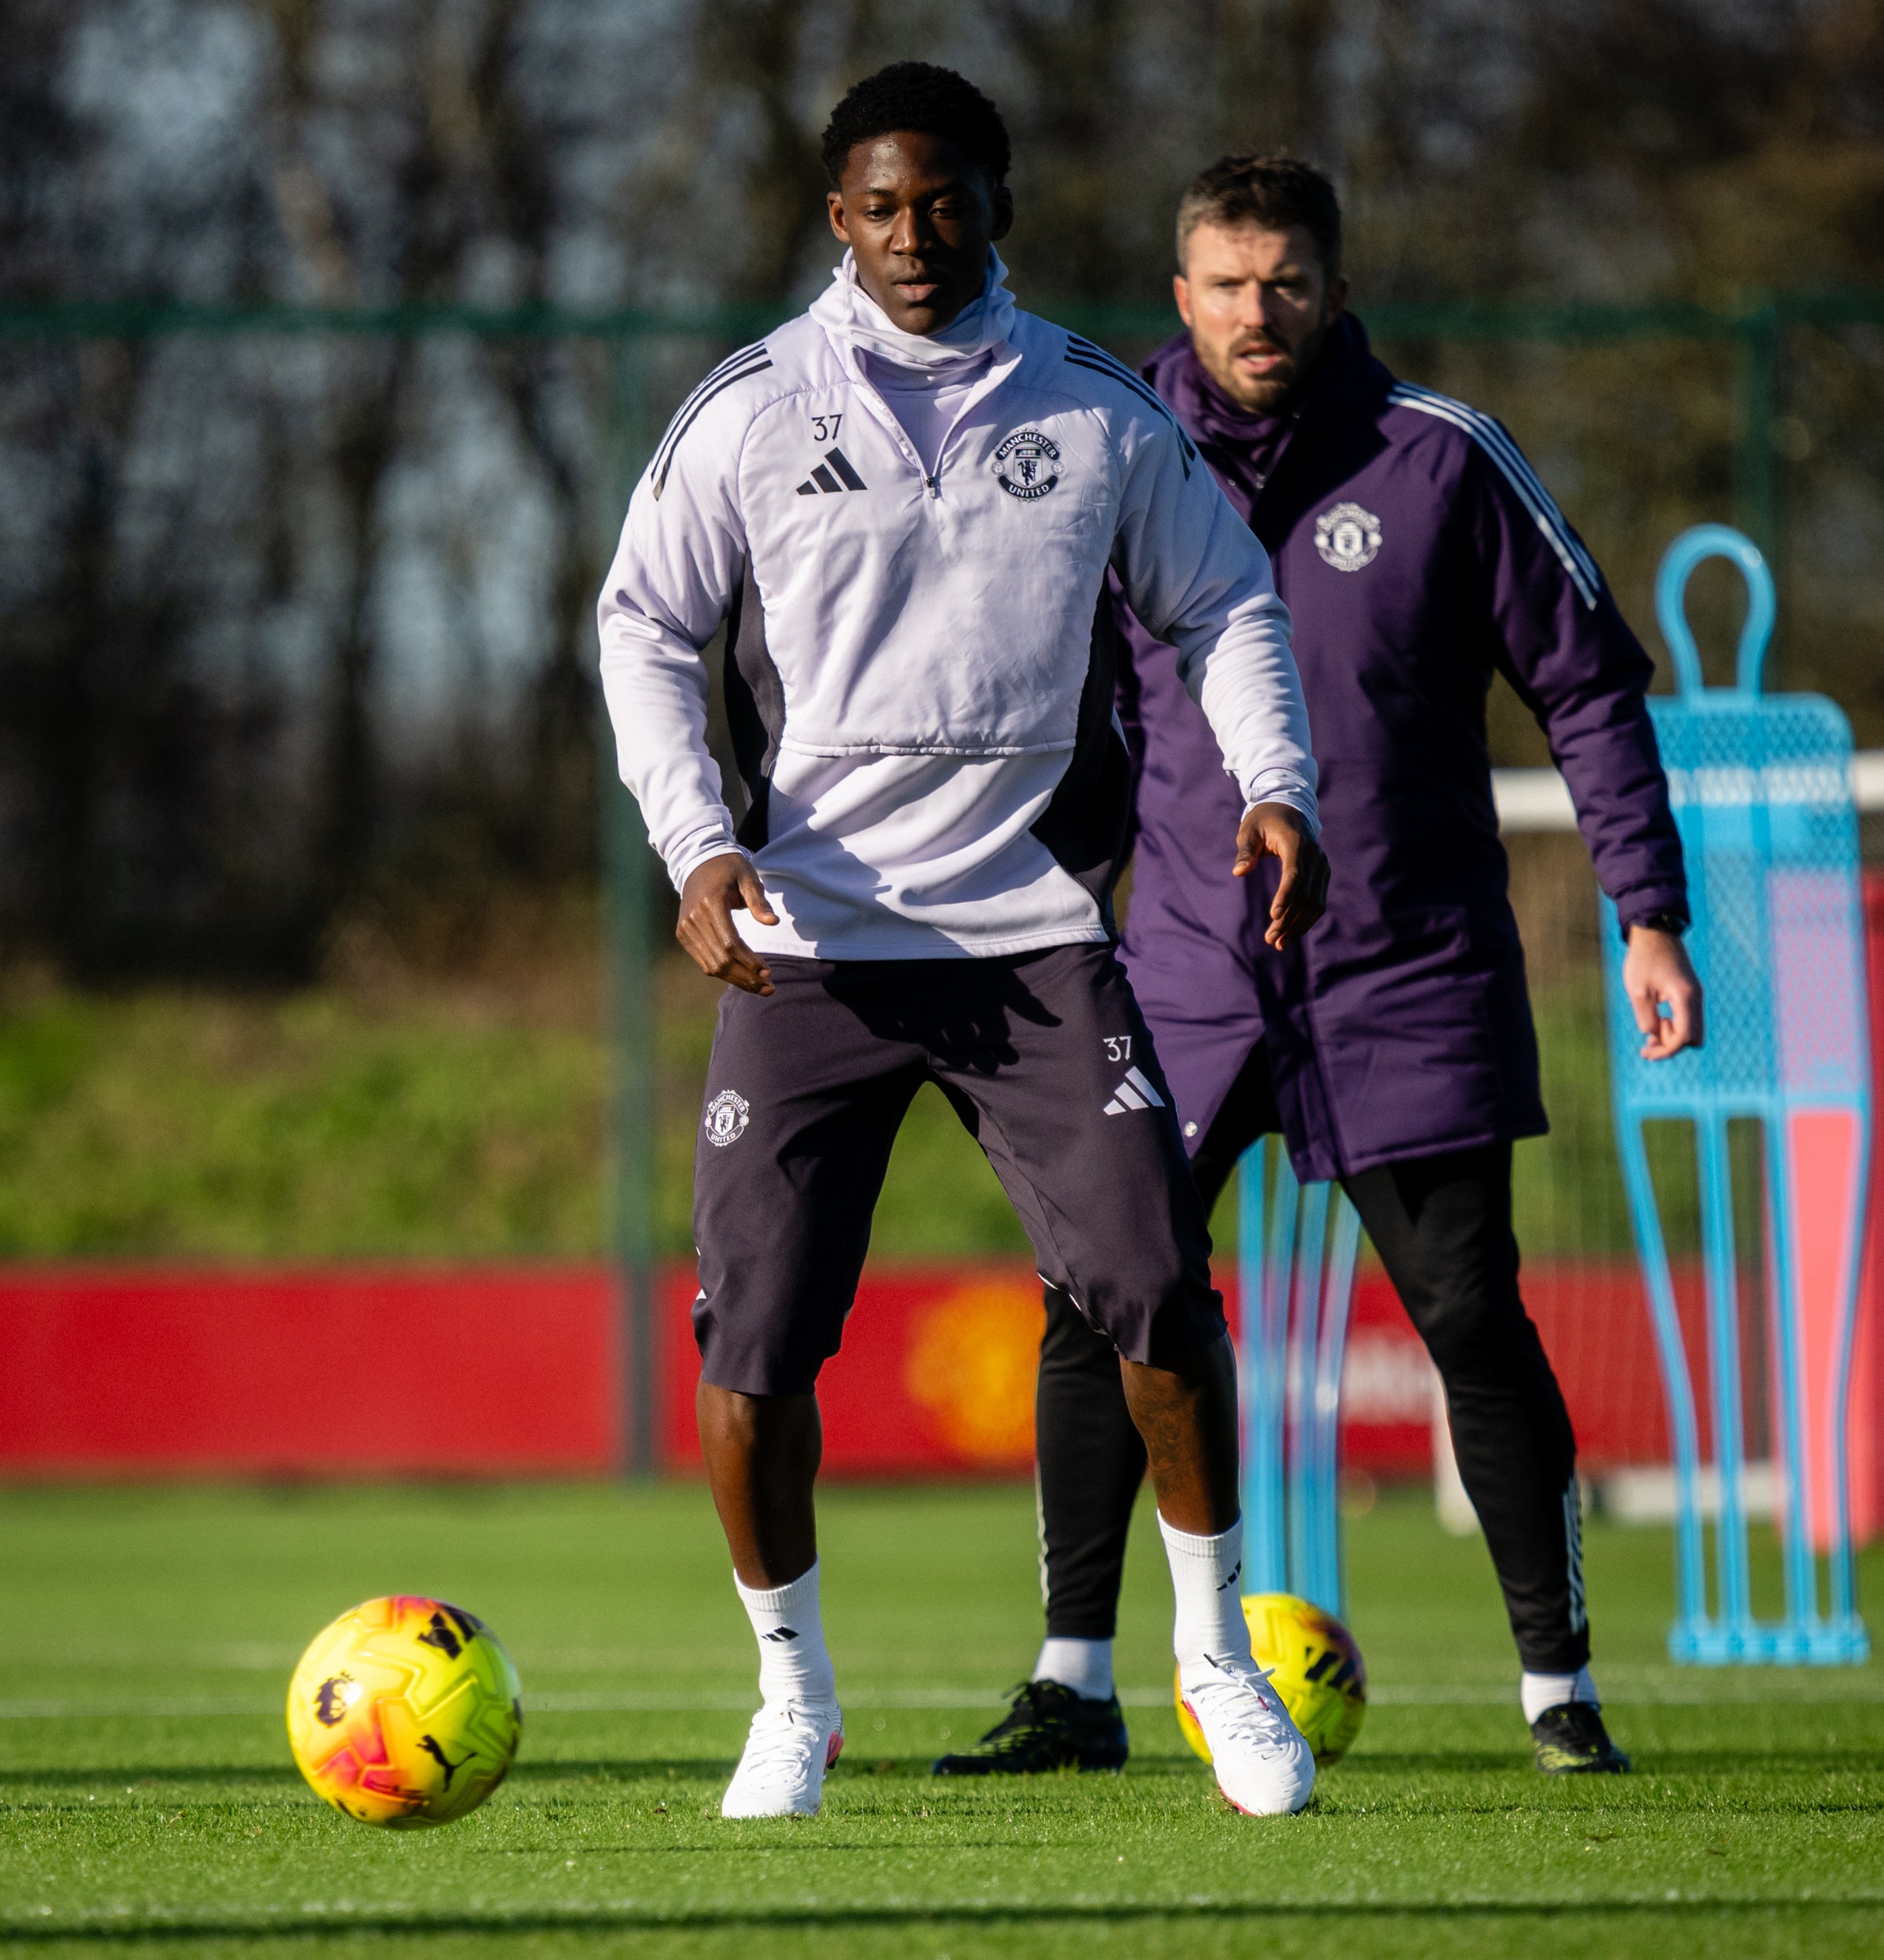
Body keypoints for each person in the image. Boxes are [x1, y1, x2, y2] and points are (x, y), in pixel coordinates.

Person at [599, 72, 1336, 1821]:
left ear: (997, 199)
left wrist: (1276, 782)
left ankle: (1215, 1660)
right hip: (811, 948)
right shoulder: (752, 410)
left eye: (944, 201)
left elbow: (1225, 596)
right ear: (834, 218)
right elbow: (644, 627)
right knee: (754, 1341)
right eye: (877, 206)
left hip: (1031, 941)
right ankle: (793, 1698)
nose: (913, 237)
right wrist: (697, 848)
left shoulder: (1093, 410)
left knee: (1156, 1282)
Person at [935, 155, 1702, 1782]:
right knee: (1103, 1308)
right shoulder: (1096, 446)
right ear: (1178, 295)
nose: (1253, 312)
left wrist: (1645, 911)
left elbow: (1586, 685)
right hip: (1180, 977)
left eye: (1283, 281)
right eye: (1222, 281)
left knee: (1471, 1317)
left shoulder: (1438, 457)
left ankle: (1554, 1689)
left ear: (1332, 290)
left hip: (1402, 977)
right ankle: (1074, 1683)